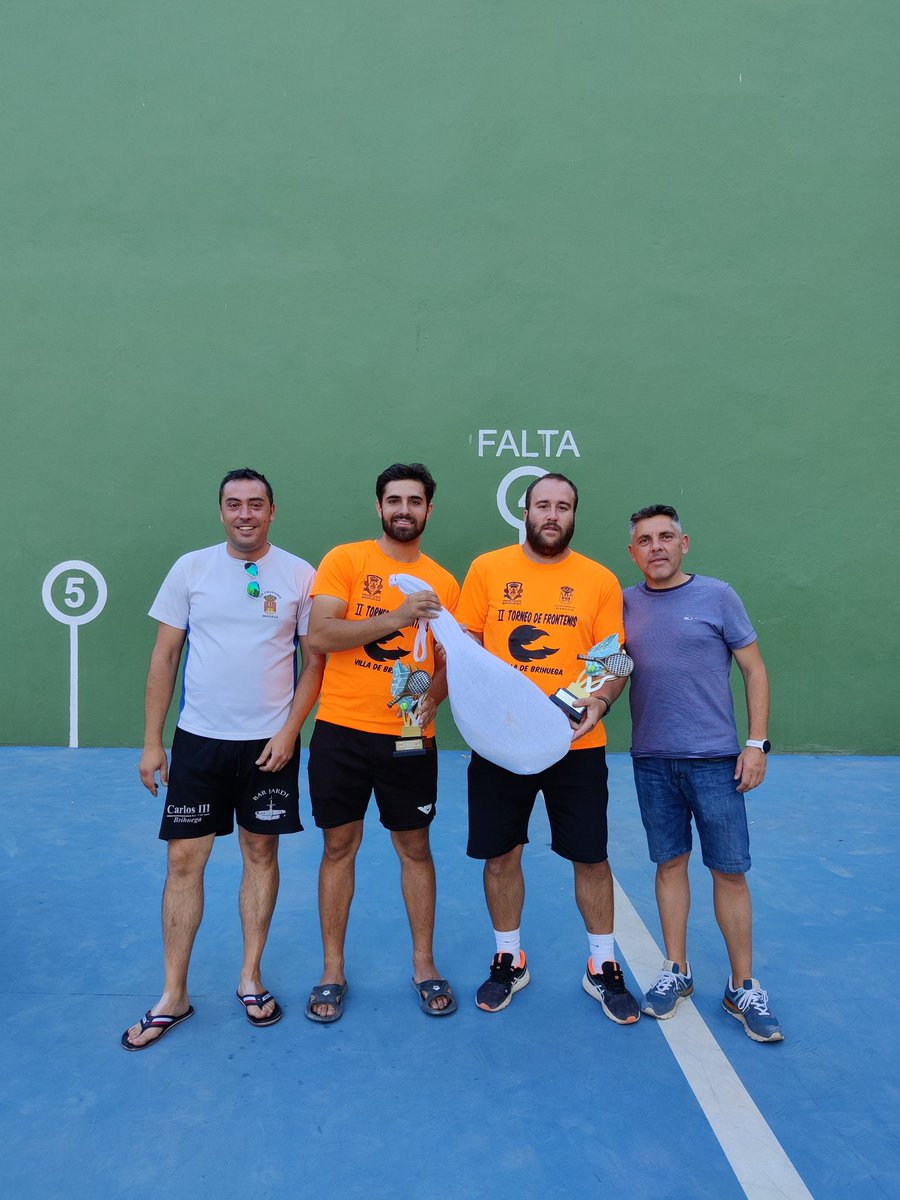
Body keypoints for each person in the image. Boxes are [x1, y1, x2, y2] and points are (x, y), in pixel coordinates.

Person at [121, 469, 324, 1050]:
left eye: (255, 504)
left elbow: (314, 663)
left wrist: (289, 732)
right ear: (220, 512)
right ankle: (173, 995)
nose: (245, 514)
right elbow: (164, 659)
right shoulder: (191, 569)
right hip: (198, 743)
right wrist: (153, 741)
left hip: (269, 745)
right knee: (185, 861)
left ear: (271, 511)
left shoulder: (298, 574)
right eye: (234, 504)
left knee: (260, 853)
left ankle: (250, 978)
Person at [582, 504, 782, 1043]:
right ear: (633, 552)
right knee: (670, 866)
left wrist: (756, 743)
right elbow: (611, 671)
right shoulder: (622, 605)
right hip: (652, 761)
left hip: (717, 761)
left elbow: (754, 668)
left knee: (729, 872)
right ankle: (678, 970)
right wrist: (595, 703)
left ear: (684, 542)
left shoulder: (719, 596)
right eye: (645, 540)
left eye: (665, 537)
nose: (656, 547)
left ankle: (743, 986)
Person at [454, 473, 640, 1023]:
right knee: (501, 853)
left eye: (563, 506)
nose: (552, 515)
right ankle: (509, 957)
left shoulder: (600, 580)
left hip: (576, 742)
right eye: (543, 505)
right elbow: (464, 648)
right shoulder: (487, 569)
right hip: (500, 742)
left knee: (591, 856)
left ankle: (601, 966)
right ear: (526, 512)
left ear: (574, 515)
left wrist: (599, 704)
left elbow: (612, 662)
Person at [304, 463, 460, 1021]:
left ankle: (424, 964)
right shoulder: (345, 561)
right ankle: (332, 970)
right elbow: (321, 634)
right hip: (341, 732)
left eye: (414, 501)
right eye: (393, 500)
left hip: (410, 738)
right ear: (379, 507)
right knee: (338, 848)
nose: (403, 509)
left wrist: (433, 697)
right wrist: (396, 616)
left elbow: (449, 663)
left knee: (415, 849)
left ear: (428, 511)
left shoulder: (444, 582)